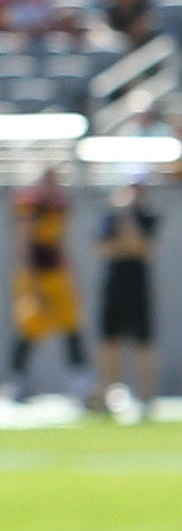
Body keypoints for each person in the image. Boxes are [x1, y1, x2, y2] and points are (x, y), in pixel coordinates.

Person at [10, 169, 88, 402]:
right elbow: (25, 245)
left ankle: (80, 382)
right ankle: (17, 380)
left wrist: (72, 278)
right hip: (36, 275)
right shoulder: (31, 208)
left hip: (56, 275)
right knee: (29, 327)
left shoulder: (58, 207)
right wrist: (31, 281)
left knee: (71, 324)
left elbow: (61, 245)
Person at [94, 174, 161, 418]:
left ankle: (146, 396)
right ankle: (109, 393)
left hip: (138, 285)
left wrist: (129, 219)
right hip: (114, 284)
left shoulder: (147, 217)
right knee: (109, 341)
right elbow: (106, 250)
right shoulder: (109, 217)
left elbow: (142, 249)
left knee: (143, 341)